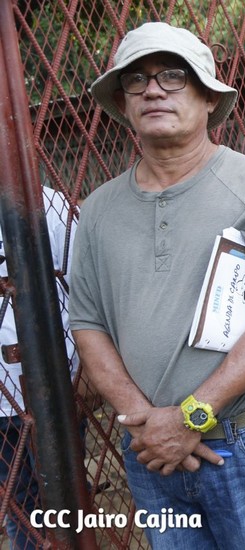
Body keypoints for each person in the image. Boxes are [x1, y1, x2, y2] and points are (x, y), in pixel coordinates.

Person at [69, 22, 245, 548]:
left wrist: (191, 417)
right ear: (123, 102)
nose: (153, 90)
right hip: (149, 450)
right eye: (136, 80)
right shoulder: (98, 210)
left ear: (208, 98)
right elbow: (88, 326)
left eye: (173, 76)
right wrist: (146, 422)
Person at [1, 188, 77, 549]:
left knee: (65, 496)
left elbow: (82, 286)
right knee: (18, 503)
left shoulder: (49, 204)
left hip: (53, 385)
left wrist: (84, 372)